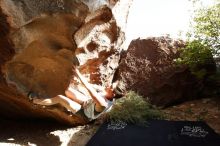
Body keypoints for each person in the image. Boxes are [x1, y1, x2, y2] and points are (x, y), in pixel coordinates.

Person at [32, 66, 118, 120]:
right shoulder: (108, 93)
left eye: (111, 87)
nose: (109, 86)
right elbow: (92, 86)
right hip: (87, 103)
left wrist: (78, 73)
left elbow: (89, 88)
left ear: (113, 94)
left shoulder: (103, 103)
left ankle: (34, 101)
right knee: (67, 90)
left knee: (59, 98)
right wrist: (77, 82)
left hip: (84, 113)